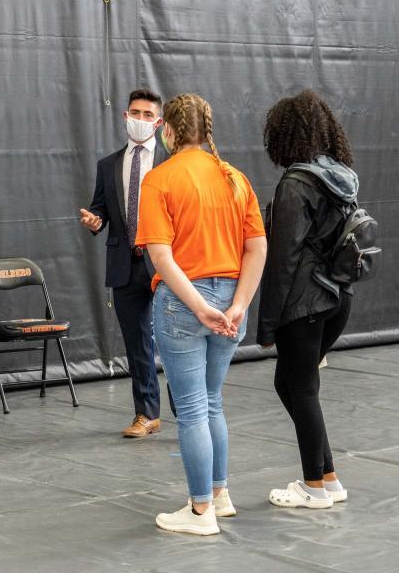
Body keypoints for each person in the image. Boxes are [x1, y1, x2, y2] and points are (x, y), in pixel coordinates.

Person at [136, 93, 267, 535]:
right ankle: (219, 495)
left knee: (191, 407)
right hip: (232, 302)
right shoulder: (234, 177)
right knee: (211, 402)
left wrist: (200, 307)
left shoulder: (160, 179)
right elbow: (257, 246)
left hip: (183, 305)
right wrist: (237, 305)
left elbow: (161, 255)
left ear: (168, 131)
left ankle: (199, 512)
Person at [257, 89, 358, 508]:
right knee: (294, 384)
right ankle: (328, 476)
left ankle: (313, 486)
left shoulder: (297, 184)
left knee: (302, 388)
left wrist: (265, 325)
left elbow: (283, 260)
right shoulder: (340, 177)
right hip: (337, 298)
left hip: (304, 303)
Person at [79, 89, 174, 438]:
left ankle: (188, 409)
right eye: (135, 112)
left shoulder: (171, 161)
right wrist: (96, 221)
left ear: (160, 122)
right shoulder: (109, 164)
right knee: (138, 344)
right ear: (124, 116)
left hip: (167, 266)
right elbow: (101, 208)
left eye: (148, 114)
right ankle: (146, 414)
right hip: (125, 264)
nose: (140, 119)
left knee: (176, 341)